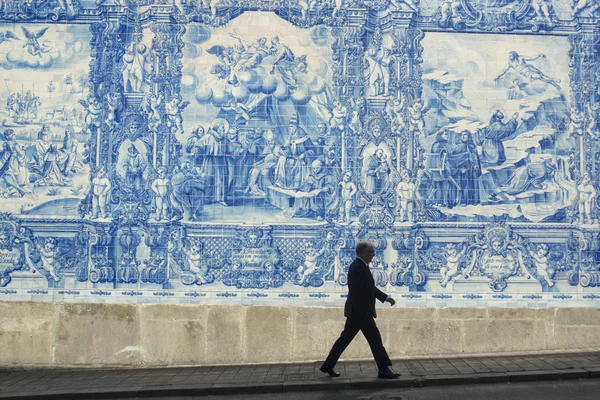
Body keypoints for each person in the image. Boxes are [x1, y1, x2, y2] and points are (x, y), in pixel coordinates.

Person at [320, 241, 400, 380]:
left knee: (344, 340)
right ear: (363, 252)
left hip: (358, 312)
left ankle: (328, 366)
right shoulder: (358, 267)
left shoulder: (361, 266)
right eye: (371, 252)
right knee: (375, 340)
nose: (373, 255)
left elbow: (370, 288)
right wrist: (365, 312)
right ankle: (383, 369)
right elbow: (358, 292)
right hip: (361, 312)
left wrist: (385, 297)